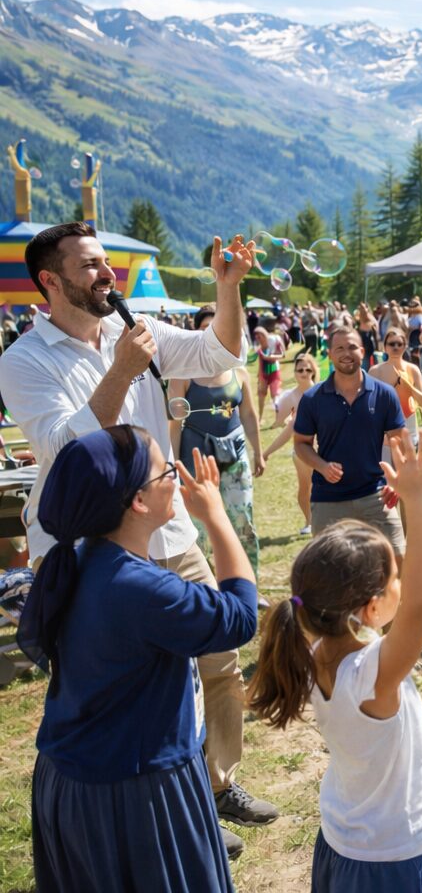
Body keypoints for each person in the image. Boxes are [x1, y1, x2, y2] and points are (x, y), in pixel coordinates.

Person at [0, 222, 277, 856]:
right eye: (91, 266)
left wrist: (226, 288)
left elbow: (220, 353)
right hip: (83, 552)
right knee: (122, 685)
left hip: (167, 528)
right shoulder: (23, 361)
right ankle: (159, 809)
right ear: (50, 281)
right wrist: (123, 371)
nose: (108, 275)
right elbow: (61, 450)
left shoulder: (137, 325)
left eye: (108, 263)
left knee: (222, 664)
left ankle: (215, 787)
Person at [18, 427, 258, 892]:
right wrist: (216, 517)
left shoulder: (83, 560)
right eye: (165, 470)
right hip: (132, 793)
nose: (176, 476)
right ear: (138, 503)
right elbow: (241, 617)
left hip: (77, 780)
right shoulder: (140, 589)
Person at [249, 432, 422, 892]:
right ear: (370, 607)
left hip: (341, 840)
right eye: (394, 576)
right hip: (391, 858)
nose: (401, 581)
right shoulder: (371, 673)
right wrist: (419, 504)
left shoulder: (314, 648)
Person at [169, 304, 265, 600]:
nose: (210, 336)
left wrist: (258, 452)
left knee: (242, 519)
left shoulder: (238, 369)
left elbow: (248, 414)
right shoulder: (182, 373)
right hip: (195, 456)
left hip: (234, 454)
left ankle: (248, 586)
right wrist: (173, 464)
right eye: (204, 329)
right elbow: (175, 422)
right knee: (197, 526)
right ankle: (207, 589)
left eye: (216, 329)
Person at [293, 328, 407, 550]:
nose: (347, 353)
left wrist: (397, 479)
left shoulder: (384, 394)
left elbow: (399, 442)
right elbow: (300, 443)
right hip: (328, 498)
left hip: (375, 494)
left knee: (397, 557)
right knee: (329, 570)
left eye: (352, 347)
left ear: (363, 351)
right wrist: (323, 466)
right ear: (330, 354)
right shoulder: (312, 398)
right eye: (340, 348)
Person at [264, 354, 319, 536]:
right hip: (301, 452)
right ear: (294, 373)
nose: (304, 373)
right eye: (300, 370)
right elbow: (284, 428)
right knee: (305, 488)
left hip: (324, 450)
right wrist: (265, 453)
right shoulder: (290, 397)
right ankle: (310, 521)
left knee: (322, 487)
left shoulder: (323, 392)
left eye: (307, 369)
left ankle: (323, 520)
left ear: (313, 371)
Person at [370, 327, 422, 452]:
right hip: (384, 434)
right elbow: (369, 406)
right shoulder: (375, 371)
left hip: (409, 431)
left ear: (405, 346)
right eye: (391, 344)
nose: (395, 347)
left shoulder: (413, 369)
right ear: (385, 347)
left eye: (399, 344)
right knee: (386, 470)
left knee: (408, 470)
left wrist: (408, 387)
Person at [253, 325, 285, 421]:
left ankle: (279, 418)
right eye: (257, 337)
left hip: (274, 370)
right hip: (264, 372)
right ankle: (260, 418)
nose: (258, 339)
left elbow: (282, 355)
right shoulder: (259, 347)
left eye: (260, 336)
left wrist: (271, 357)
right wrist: (260, 376)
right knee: (261, 395)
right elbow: (260, 361)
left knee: (275, 395)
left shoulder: (273, 340)